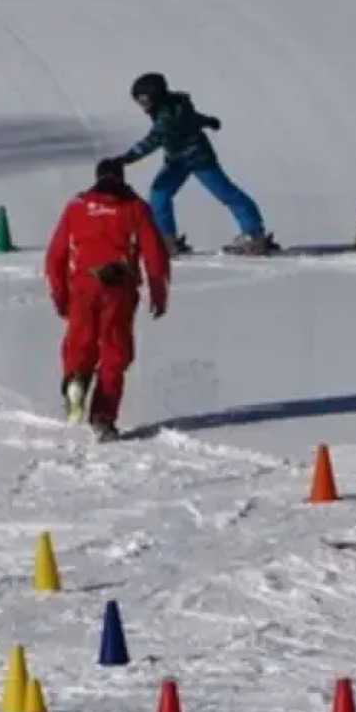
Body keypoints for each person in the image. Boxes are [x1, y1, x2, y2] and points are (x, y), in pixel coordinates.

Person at [45, 159, 171, 442]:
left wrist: (59, 294)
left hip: (82, 287)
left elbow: (55, 255)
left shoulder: (77, 206)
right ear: (122, 178)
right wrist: (159, 292)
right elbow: (155, 255)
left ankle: (76, 381)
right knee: (115, 352)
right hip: (119, 290)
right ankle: (103, 417)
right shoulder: (135, 208)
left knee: (80, 342)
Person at [97, 72, 274, 256]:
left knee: (226, 193)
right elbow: (192, 117)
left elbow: (153, 140)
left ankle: (254, 235)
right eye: (139, 102)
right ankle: (166, 239)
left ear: (155, 96)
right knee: (160, 193)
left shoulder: (167, 115)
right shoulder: (175, 104)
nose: (143, 106)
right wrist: (207, 121)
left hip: (198, 159)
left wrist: (125, 159)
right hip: (177, 160)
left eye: (144, 101)